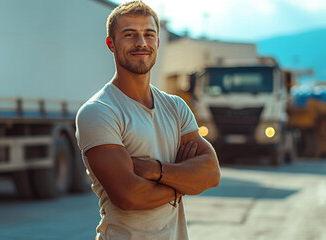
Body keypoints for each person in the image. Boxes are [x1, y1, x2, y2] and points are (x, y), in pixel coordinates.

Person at [75, 1, 221, 239]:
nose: (141, 42)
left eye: (148, 34)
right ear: (111, 44)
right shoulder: (99, 111)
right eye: (129, 34)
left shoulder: (175, 107)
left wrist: (155, 170)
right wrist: (185, 182)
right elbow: (129, 196)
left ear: (157, 42)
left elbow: (211, 174)